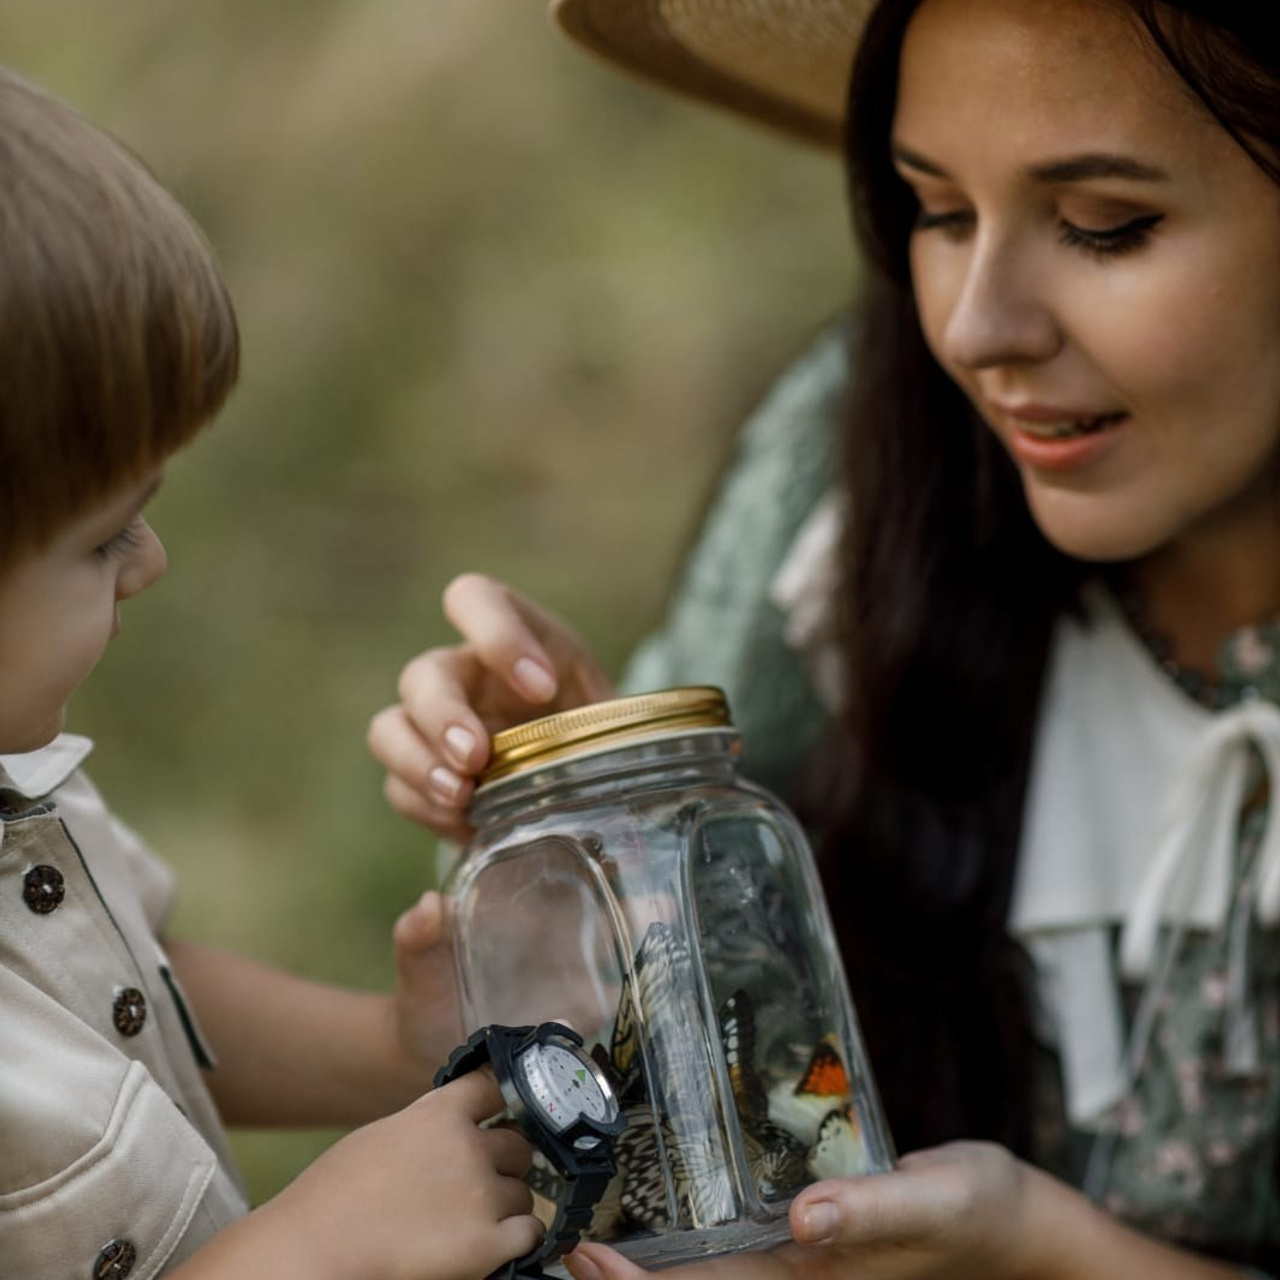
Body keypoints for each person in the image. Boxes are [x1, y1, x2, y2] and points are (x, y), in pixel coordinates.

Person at [367, 0, 1280, 1275]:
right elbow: (708, 1110)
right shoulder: (864, 483)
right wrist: (607, 825)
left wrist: (1038, 1253)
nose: (976, 327)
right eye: (937, 211)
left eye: (1102, 224)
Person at [0, 65, 544, 1280]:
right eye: (103, 536)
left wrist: (387, 1047)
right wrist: (308, 1251)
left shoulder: (18, 785)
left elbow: (126, 987)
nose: (151, 560)